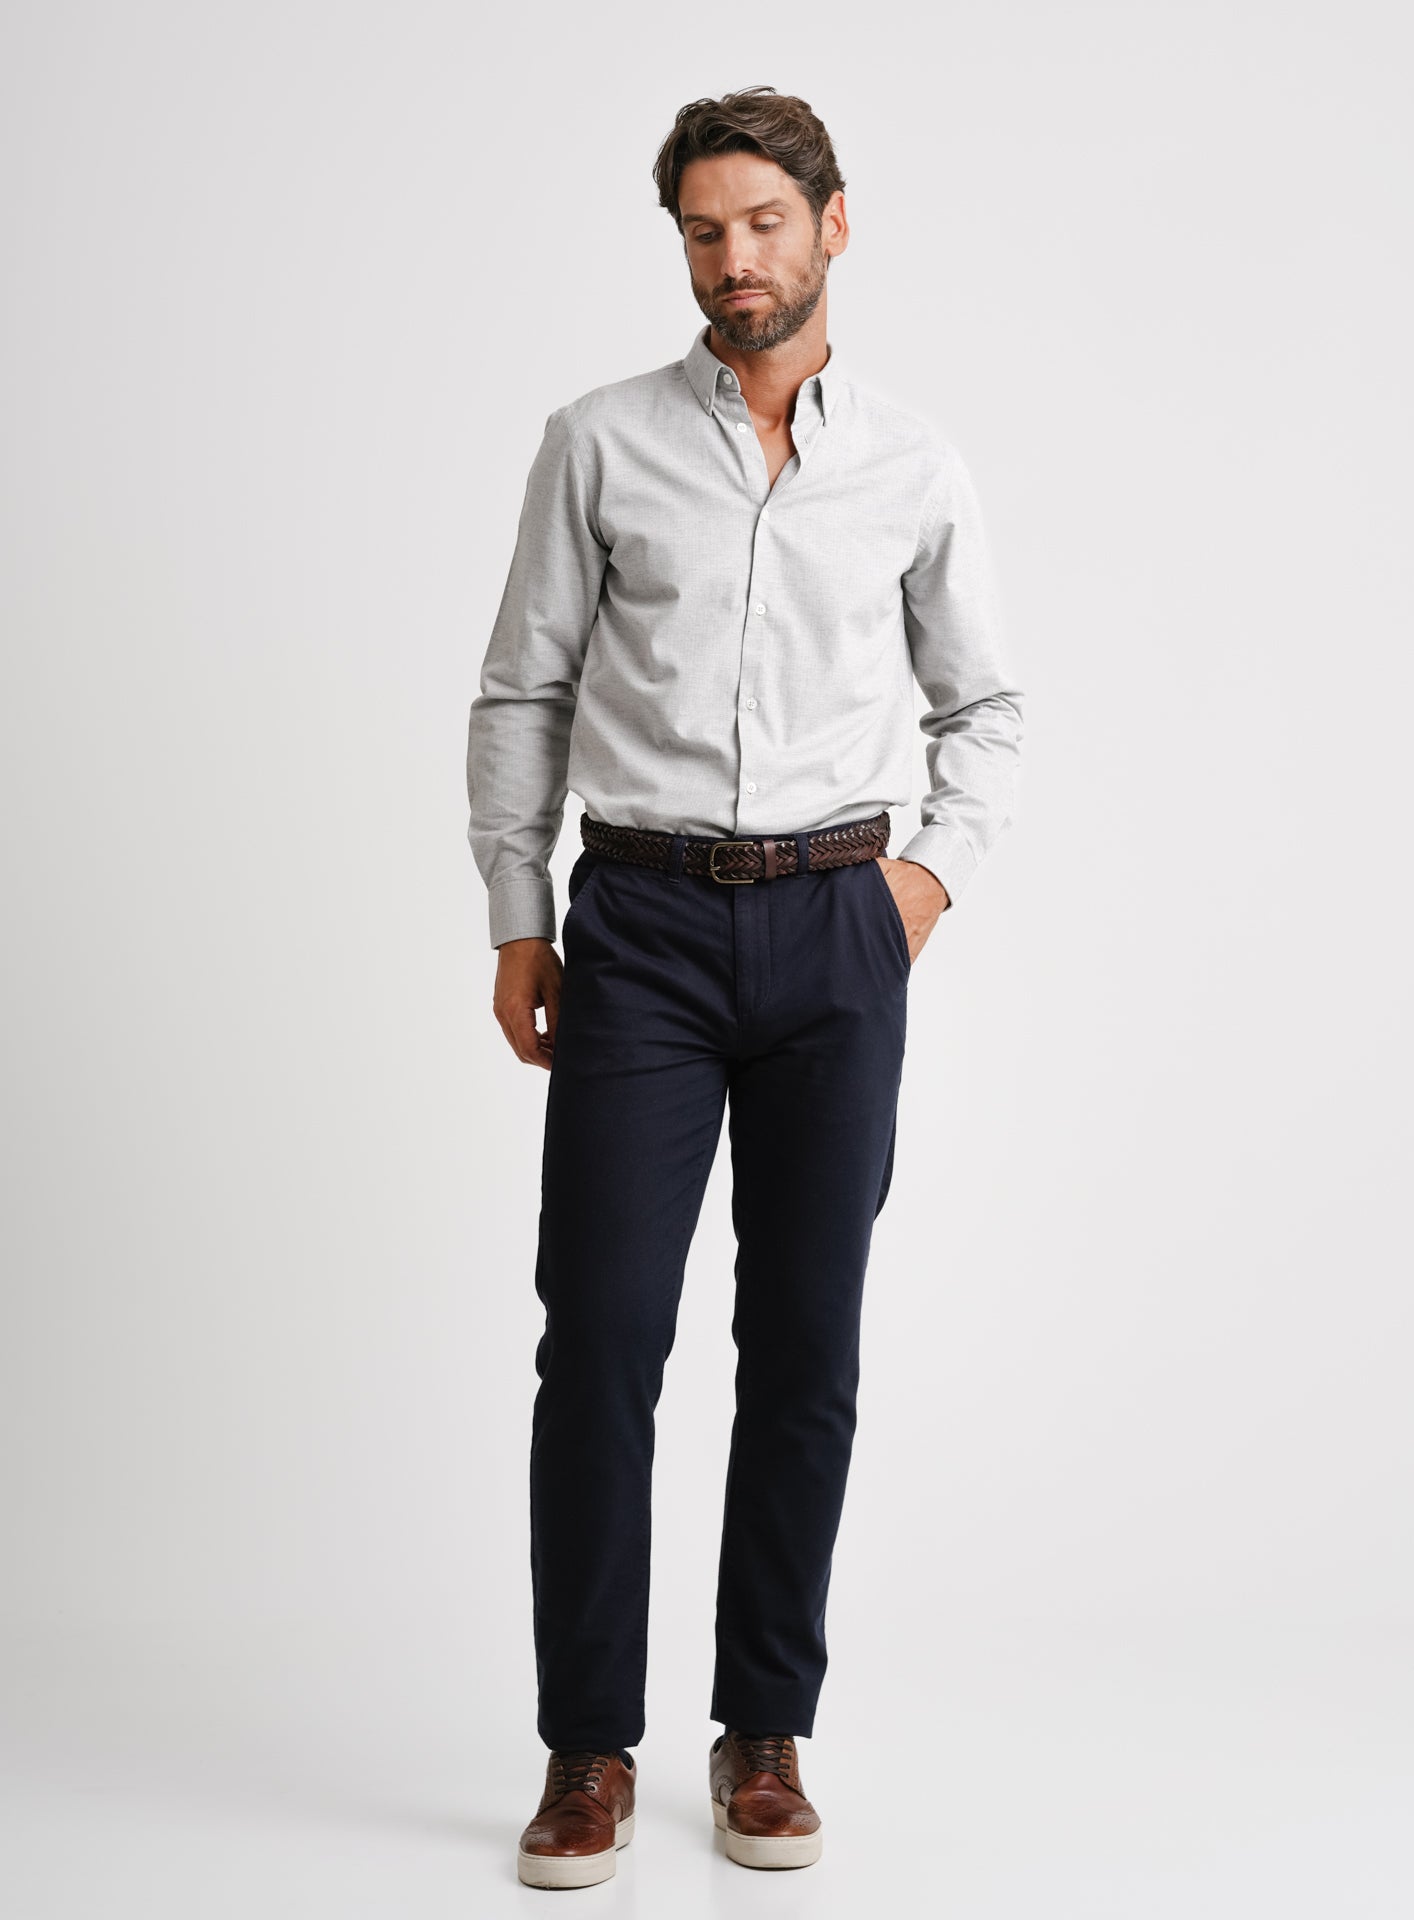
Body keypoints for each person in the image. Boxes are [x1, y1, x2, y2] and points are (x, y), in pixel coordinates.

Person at [466, 84, 1025, 1889]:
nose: (734, 260)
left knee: (803, 1346)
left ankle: (764, 1729)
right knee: (600, 1341)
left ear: (832, 224)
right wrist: (518, 915)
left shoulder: (914, 465)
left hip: (837, 929)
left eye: (764, 224)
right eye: (705, 232)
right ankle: (588, 1749)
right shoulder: (598, 443)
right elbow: (524, 689)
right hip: (636, 928)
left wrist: (922, 882)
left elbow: (986, 706)